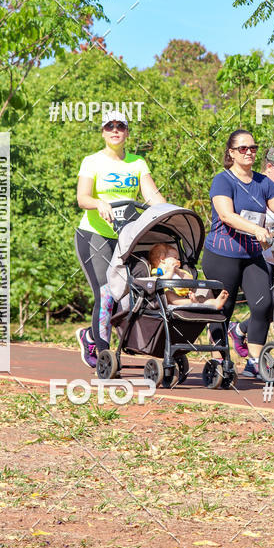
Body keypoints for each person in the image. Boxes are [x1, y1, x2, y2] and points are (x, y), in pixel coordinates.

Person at [201, 129, 274, 378]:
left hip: (252, 254)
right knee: (222, 309)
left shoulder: (263, 182)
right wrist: (256, 229)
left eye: (253, 148)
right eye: (243, 148)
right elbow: (227, 215)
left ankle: (254, 362)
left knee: (263, 304)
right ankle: (219, 361)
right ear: (231, 153)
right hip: (222, 254)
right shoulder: (222, 180)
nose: (249, 152)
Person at [75, 111, 166, 368]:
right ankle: (103, 351)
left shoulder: (137, 163)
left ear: (126, 132)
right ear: (103, 132)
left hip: (127, 236)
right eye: (109, 126)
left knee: (127, 294)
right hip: (95, 235)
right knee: (105, 293)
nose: (115, 130)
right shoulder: (92, 161)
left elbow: (152, 196)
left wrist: (169, 212)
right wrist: (98, 203)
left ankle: (91, 334)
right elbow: (82, 198)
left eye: (120, 126)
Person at [228, 146, 274, 359]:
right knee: (263, 305)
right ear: (269, 167)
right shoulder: (256, 185)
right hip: (259, 254)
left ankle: (239, 330)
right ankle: (255, 359)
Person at [148, 243, 229, 309]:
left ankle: (214, 303)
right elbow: (159, 281)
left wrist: (179, 272)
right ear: (162, 259)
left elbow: (190, 280)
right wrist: (170, 271)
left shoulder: (179, 271)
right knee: (168, 294)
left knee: (200, 297)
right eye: (175, 258)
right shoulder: (157, 271)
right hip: (169, 298)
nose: (178, 260)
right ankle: (192, 302)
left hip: (188, 295)